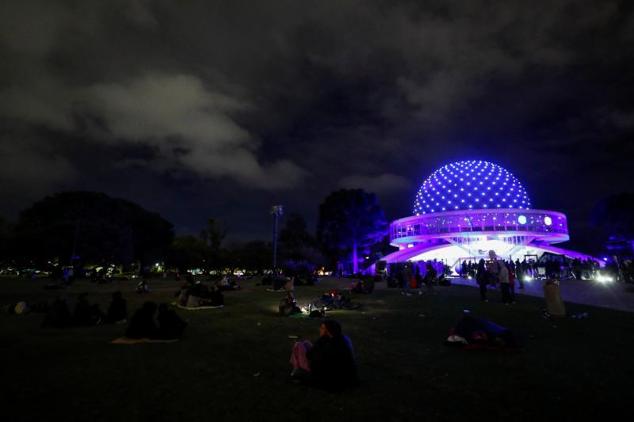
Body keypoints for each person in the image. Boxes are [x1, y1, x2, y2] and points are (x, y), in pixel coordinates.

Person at [289, 320, 358, 391]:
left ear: (328, 331)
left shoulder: (329, 344)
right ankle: (296, 369)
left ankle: (296, 369)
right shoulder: (340, 339)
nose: (320, 329)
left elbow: (316, 359)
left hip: (331, 378)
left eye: (322, 328)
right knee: (305, 343)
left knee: (298, 346)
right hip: (345, 375)